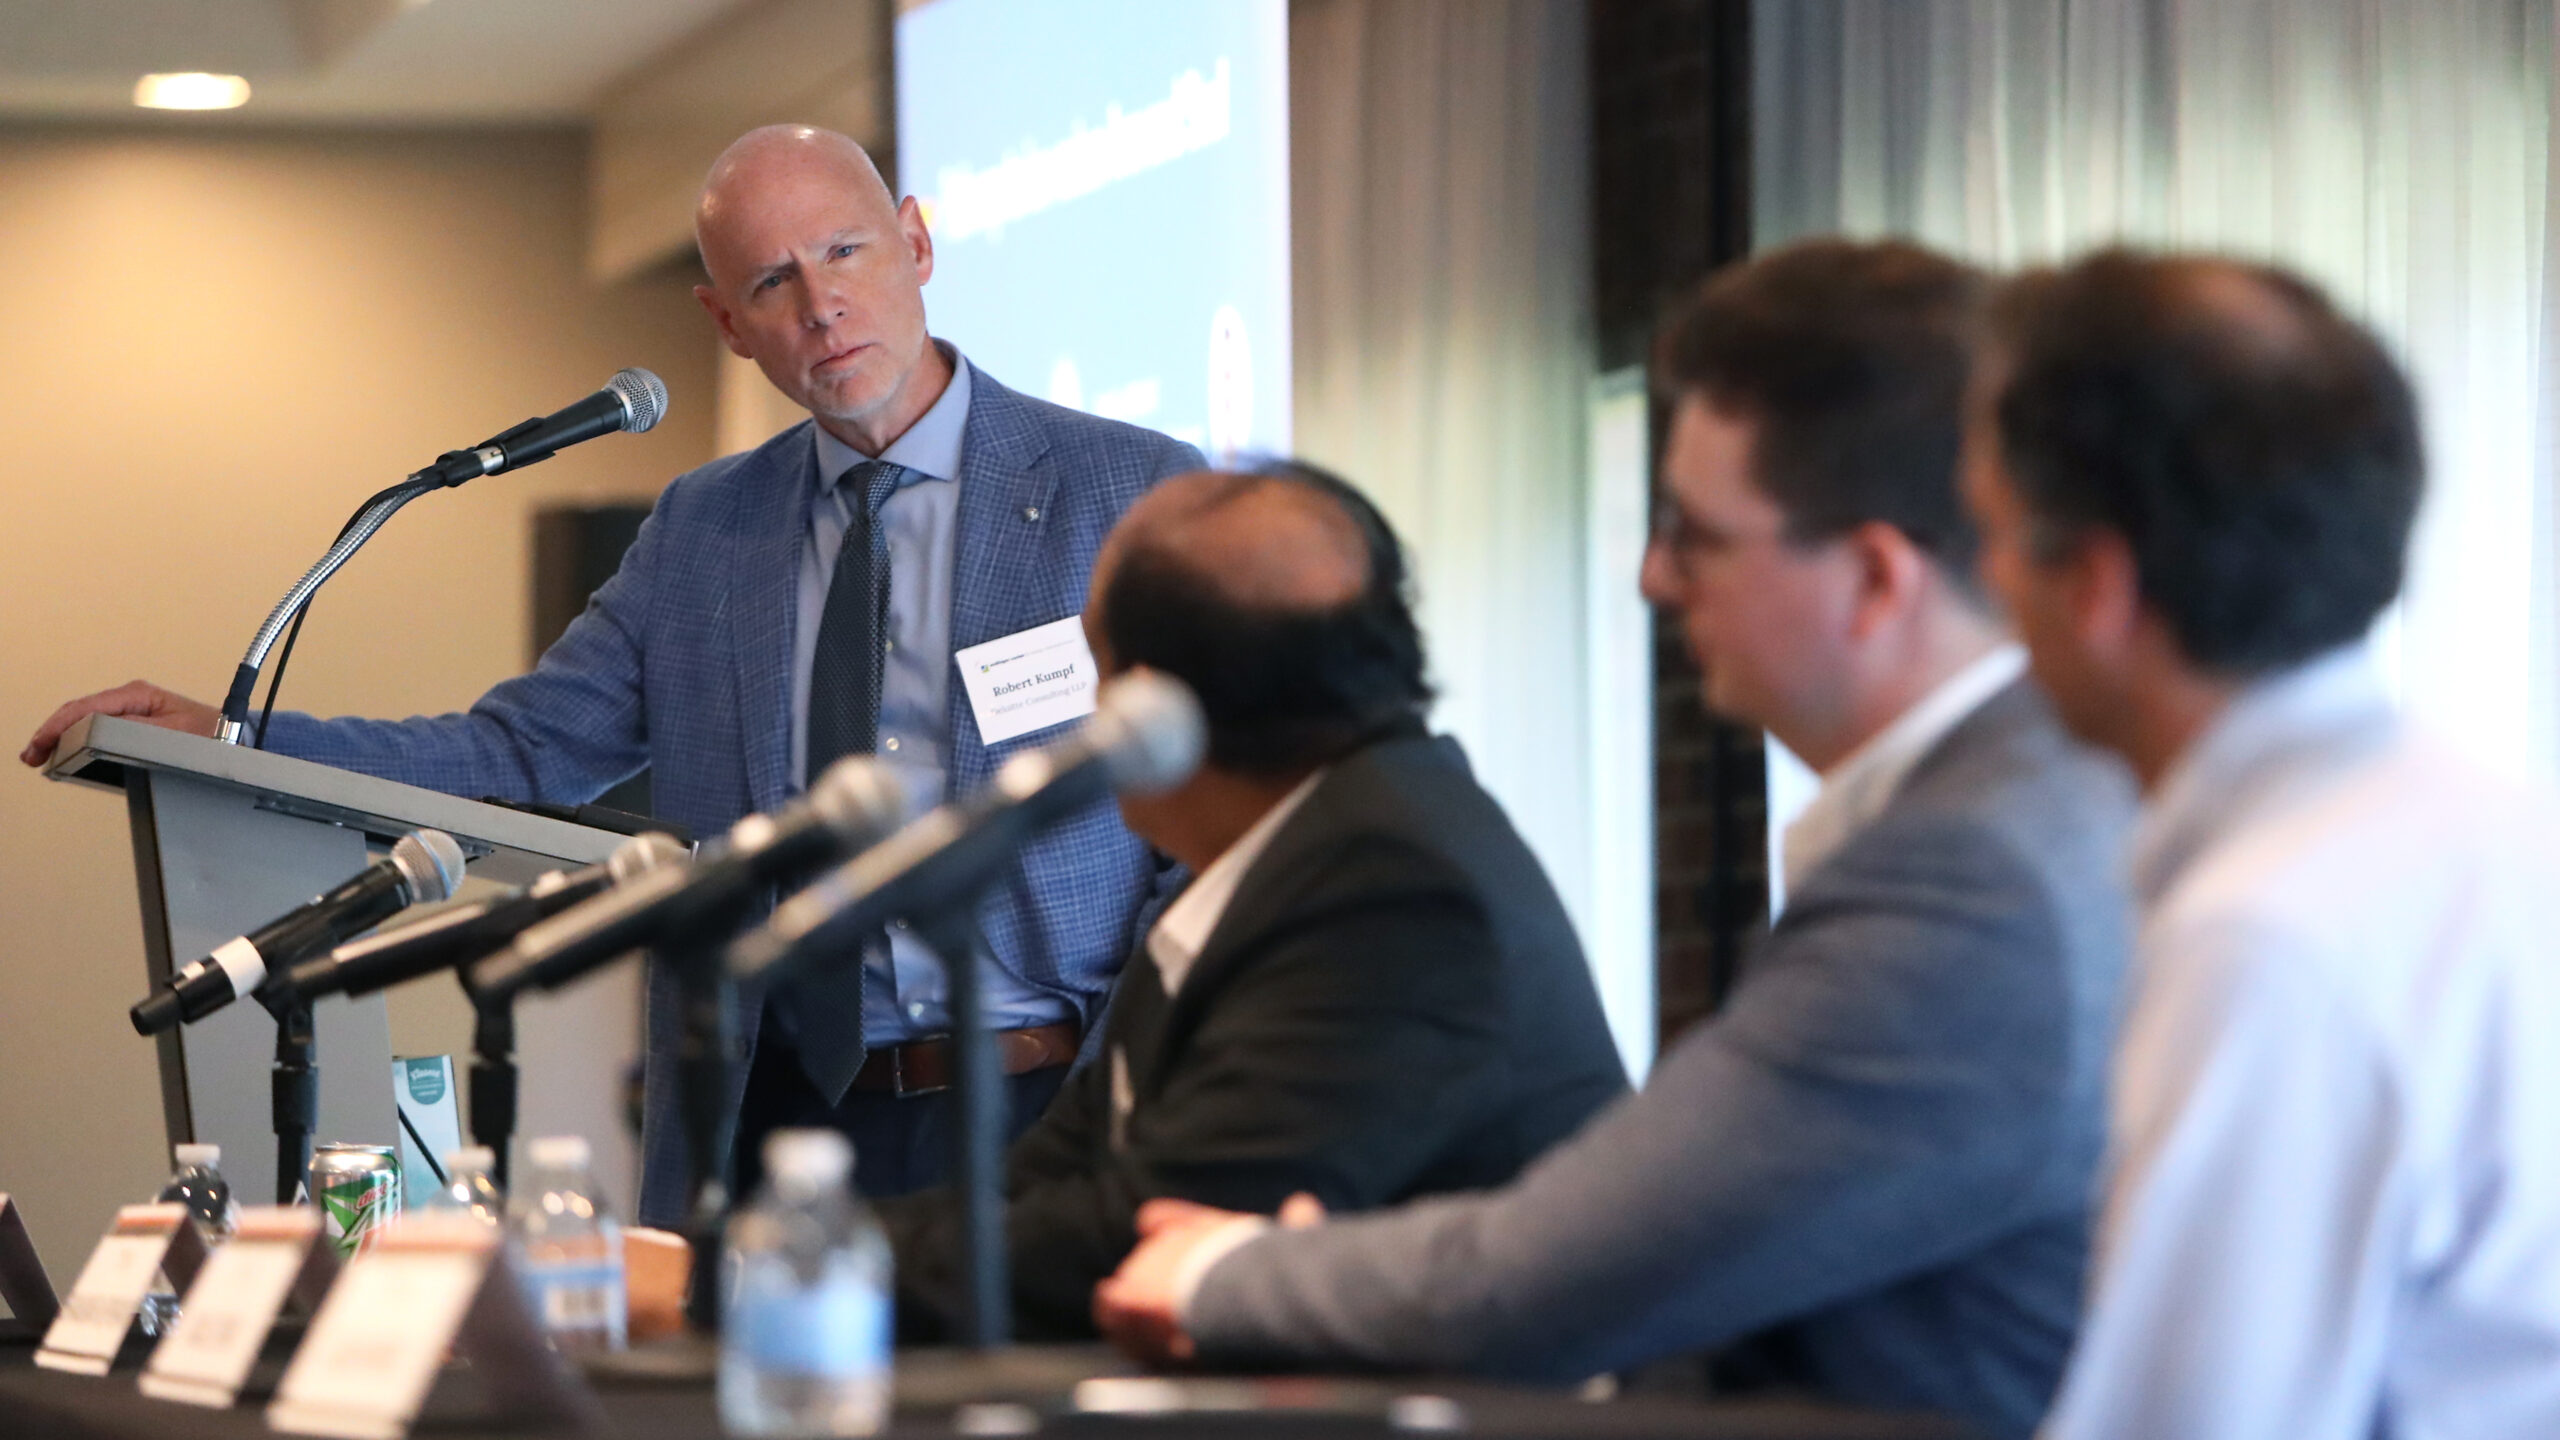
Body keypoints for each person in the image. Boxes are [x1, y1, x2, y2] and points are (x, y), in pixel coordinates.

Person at [19, 125, 1202, 1219]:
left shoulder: (1127, 491)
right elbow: (516, 752)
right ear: (727, 322)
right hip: (764, 1121)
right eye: (770, 282)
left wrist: (1122, 1089)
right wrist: (230, 739)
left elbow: (1204, 830)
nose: (822, 305)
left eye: (845, 251)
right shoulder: (705, 529)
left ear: (919, 241)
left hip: (1039, 1110)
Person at [1091, 240, 2135, 1440]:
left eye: (1693, 535)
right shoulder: (2023, 801)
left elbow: (1546, 1281)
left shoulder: (1969, 878)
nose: (1651, 578)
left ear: (1873, 577)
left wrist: (1230, 1275)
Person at [1963, 250, 2560, 1439]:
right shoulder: (2490, 826)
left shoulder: (2265, 942)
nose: (1983, 585)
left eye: (1990, 534)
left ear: (2095, 584)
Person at [877, 461, 1630, 1341]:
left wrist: (756, 1275)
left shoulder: (1392, 888)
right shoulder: (1292, 856)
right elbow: (1045, 1182)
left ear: (1153, 712)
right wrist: (771, 1264)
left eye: (1099, 668)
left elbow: (1150, 1230)